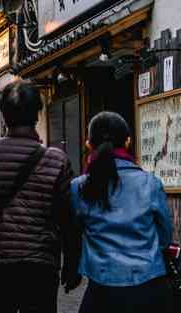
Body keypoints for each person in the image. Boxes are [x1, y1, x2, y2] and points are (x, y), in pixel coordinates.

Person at [0, 80, 81, 313]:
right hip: (40, 268)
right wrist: (73, 263)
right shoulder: (56, 160)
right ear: (37, 114)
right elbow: (68, 220)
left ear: (4, 114)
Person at [70, 111, 174, 313]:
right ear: (128, 142)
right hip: (149, 285)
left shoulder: (79, 187)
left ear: (89, 145)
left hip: (102, 289)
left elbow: (74, 232)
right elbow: (165, 236)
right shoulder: (150, 184)